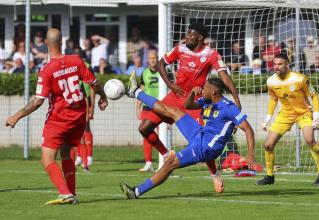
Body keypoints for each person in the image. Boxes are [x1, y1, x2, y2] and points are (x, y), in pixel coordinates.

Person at [5, 28, 108, 205]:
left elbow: (38, 101)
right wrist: (103, 96)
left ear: (46, 43)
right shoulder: (76, 60)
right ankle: (71, 193)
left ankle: (64, 193)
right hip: (78, 117)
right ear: (61, 42)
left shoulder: (46, 70)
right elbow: (94, 83)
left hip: (59, 119)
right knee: (66, 153)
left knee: (47, 159)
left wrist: (16, 116)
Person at [137, 23, 241, 192]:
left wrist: (236, 98)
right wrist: (170, 85)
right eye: (187, 34)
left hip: (195, 102)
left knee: (201, 142)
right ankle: (165, 154)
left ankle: (214, 174)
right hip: (175, 96)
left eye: (191, 35)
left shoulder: (211, 54)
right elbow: (160, 65)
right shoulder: (180, 48)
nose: (187, 37)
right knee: (144, 128)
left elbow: (224, 76)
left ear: (200, 37)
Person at [120, 74, 256, 199]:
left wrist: (250, 155)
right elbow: (187, 106)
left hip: (206, 148)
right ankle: (136, 92)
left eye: (206, 88)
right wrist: (192, 94)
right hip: (199, 133)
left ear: (214, 92)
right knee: (174, 111)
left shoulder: (229, 107)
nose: (203, 89)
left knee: (170, 163)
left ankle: (136, 192)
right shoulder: (208, 100)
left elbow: (248, 130)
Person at [257, 53, 319, 185]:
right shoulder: (271, 81)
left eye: (280, 64)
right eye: (274, 64)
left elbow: (314, 95)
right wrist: (267, 119)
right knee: (268, 145)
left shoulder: (300, 79)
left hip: (304, 113)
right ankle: (269, 176)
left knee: (309, 140)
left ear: (287, 65)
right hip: (285, 115)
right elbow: (273, 99)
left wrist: (316, 116)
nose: (276, 67)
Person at [136, 49, 160, 172]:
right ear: (147, 59)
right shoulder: (144, 73)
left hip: (161, 108)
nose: (152, 60)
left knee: (162, 135)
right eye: (150, 58)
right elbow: (141, 90)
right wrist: (137, 108)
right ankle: (148, 163)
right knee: (146, 135)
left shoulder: (163, 72)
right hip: (147, 107)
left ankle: (163, 161)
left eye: (154, 57)